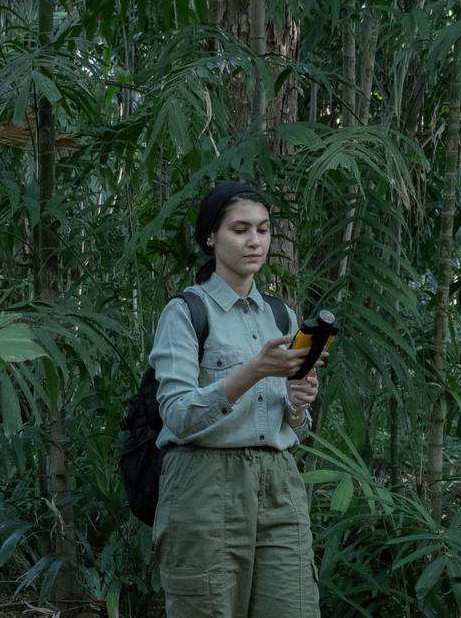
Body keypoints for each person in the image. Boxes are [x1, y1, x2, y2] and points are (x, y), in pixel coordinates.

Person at [149, 181, 322, 618]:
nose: (254, 241)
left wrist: (298, 403)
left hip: (279, 482)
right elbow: (177, 415)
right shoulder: (186, 311)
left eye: (263, 230)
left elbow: (294, 425)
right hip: (204, 484)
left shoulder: (279, 314)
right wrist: (254, 372)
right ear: (211, 236)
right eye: (239, 229)